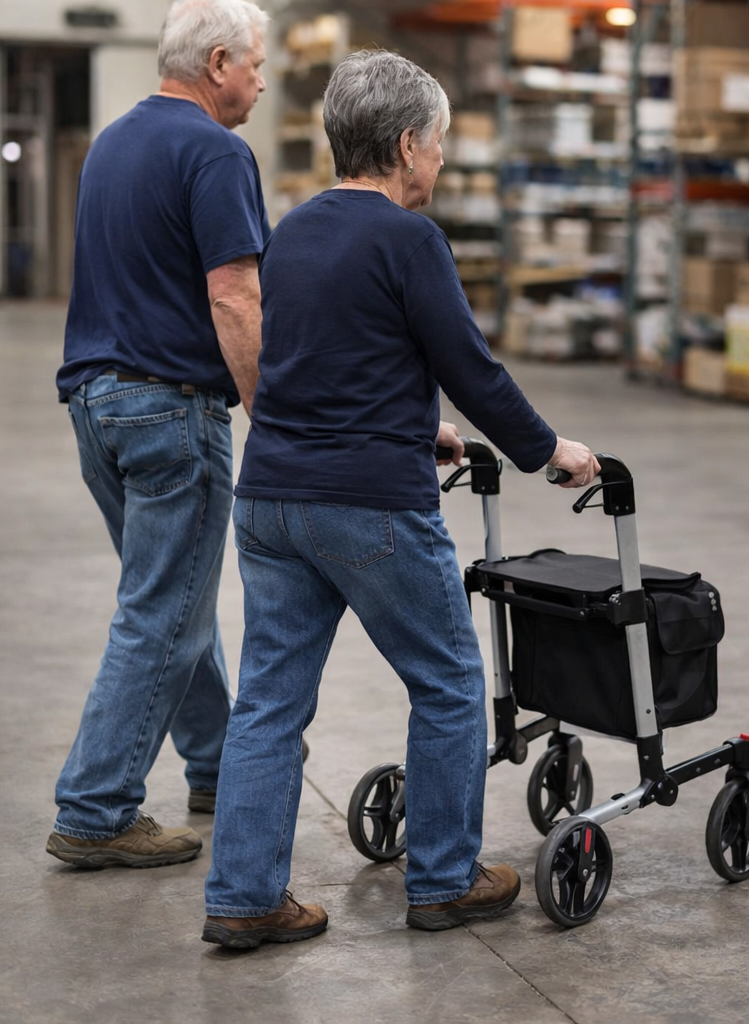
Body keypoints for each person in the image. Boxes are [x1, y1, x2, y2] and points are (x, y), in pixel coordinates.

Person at [201, 49, 600, 948]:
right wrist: (550, 452)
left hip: (269, 498)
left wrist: (418, 429)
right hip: (369, 508)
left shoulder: (294, 231)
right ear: (409, 143)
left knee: (269, 703)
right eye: (443, 145)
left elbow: (311, 361)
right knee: (452, 682)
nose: (445, 162)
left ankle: (243, 898)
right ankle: (446, 879)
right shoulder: (410, 239)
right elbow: (471, 369)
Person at [47, 0, 272, 870]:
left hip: (94, 406)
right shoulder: (216, 151)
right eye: (254, 63)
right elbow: (234, 298)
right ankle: (94, 810)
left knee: (170, 596)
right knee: (162, 613)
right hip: (170, 410)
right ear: (217, 62)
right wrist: (271, 417)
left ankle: (213, 764)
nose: (259, 78)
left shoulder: (112, 143)